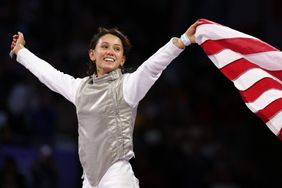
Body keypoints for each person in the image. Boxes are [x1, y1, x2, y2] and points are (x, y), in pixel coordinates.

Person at [10, 21, 199, 188]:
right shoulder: (80, 88)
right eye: (105, 46)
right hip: (89, 180)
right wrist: (21, 52)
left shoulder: (128, 86)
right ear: (92, 54)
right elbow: (50, 75)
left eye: (117, 49)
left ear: (122, 60)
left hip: (117, 177)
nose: (110, 51)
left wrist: (182, 41)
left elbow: (152, 68)